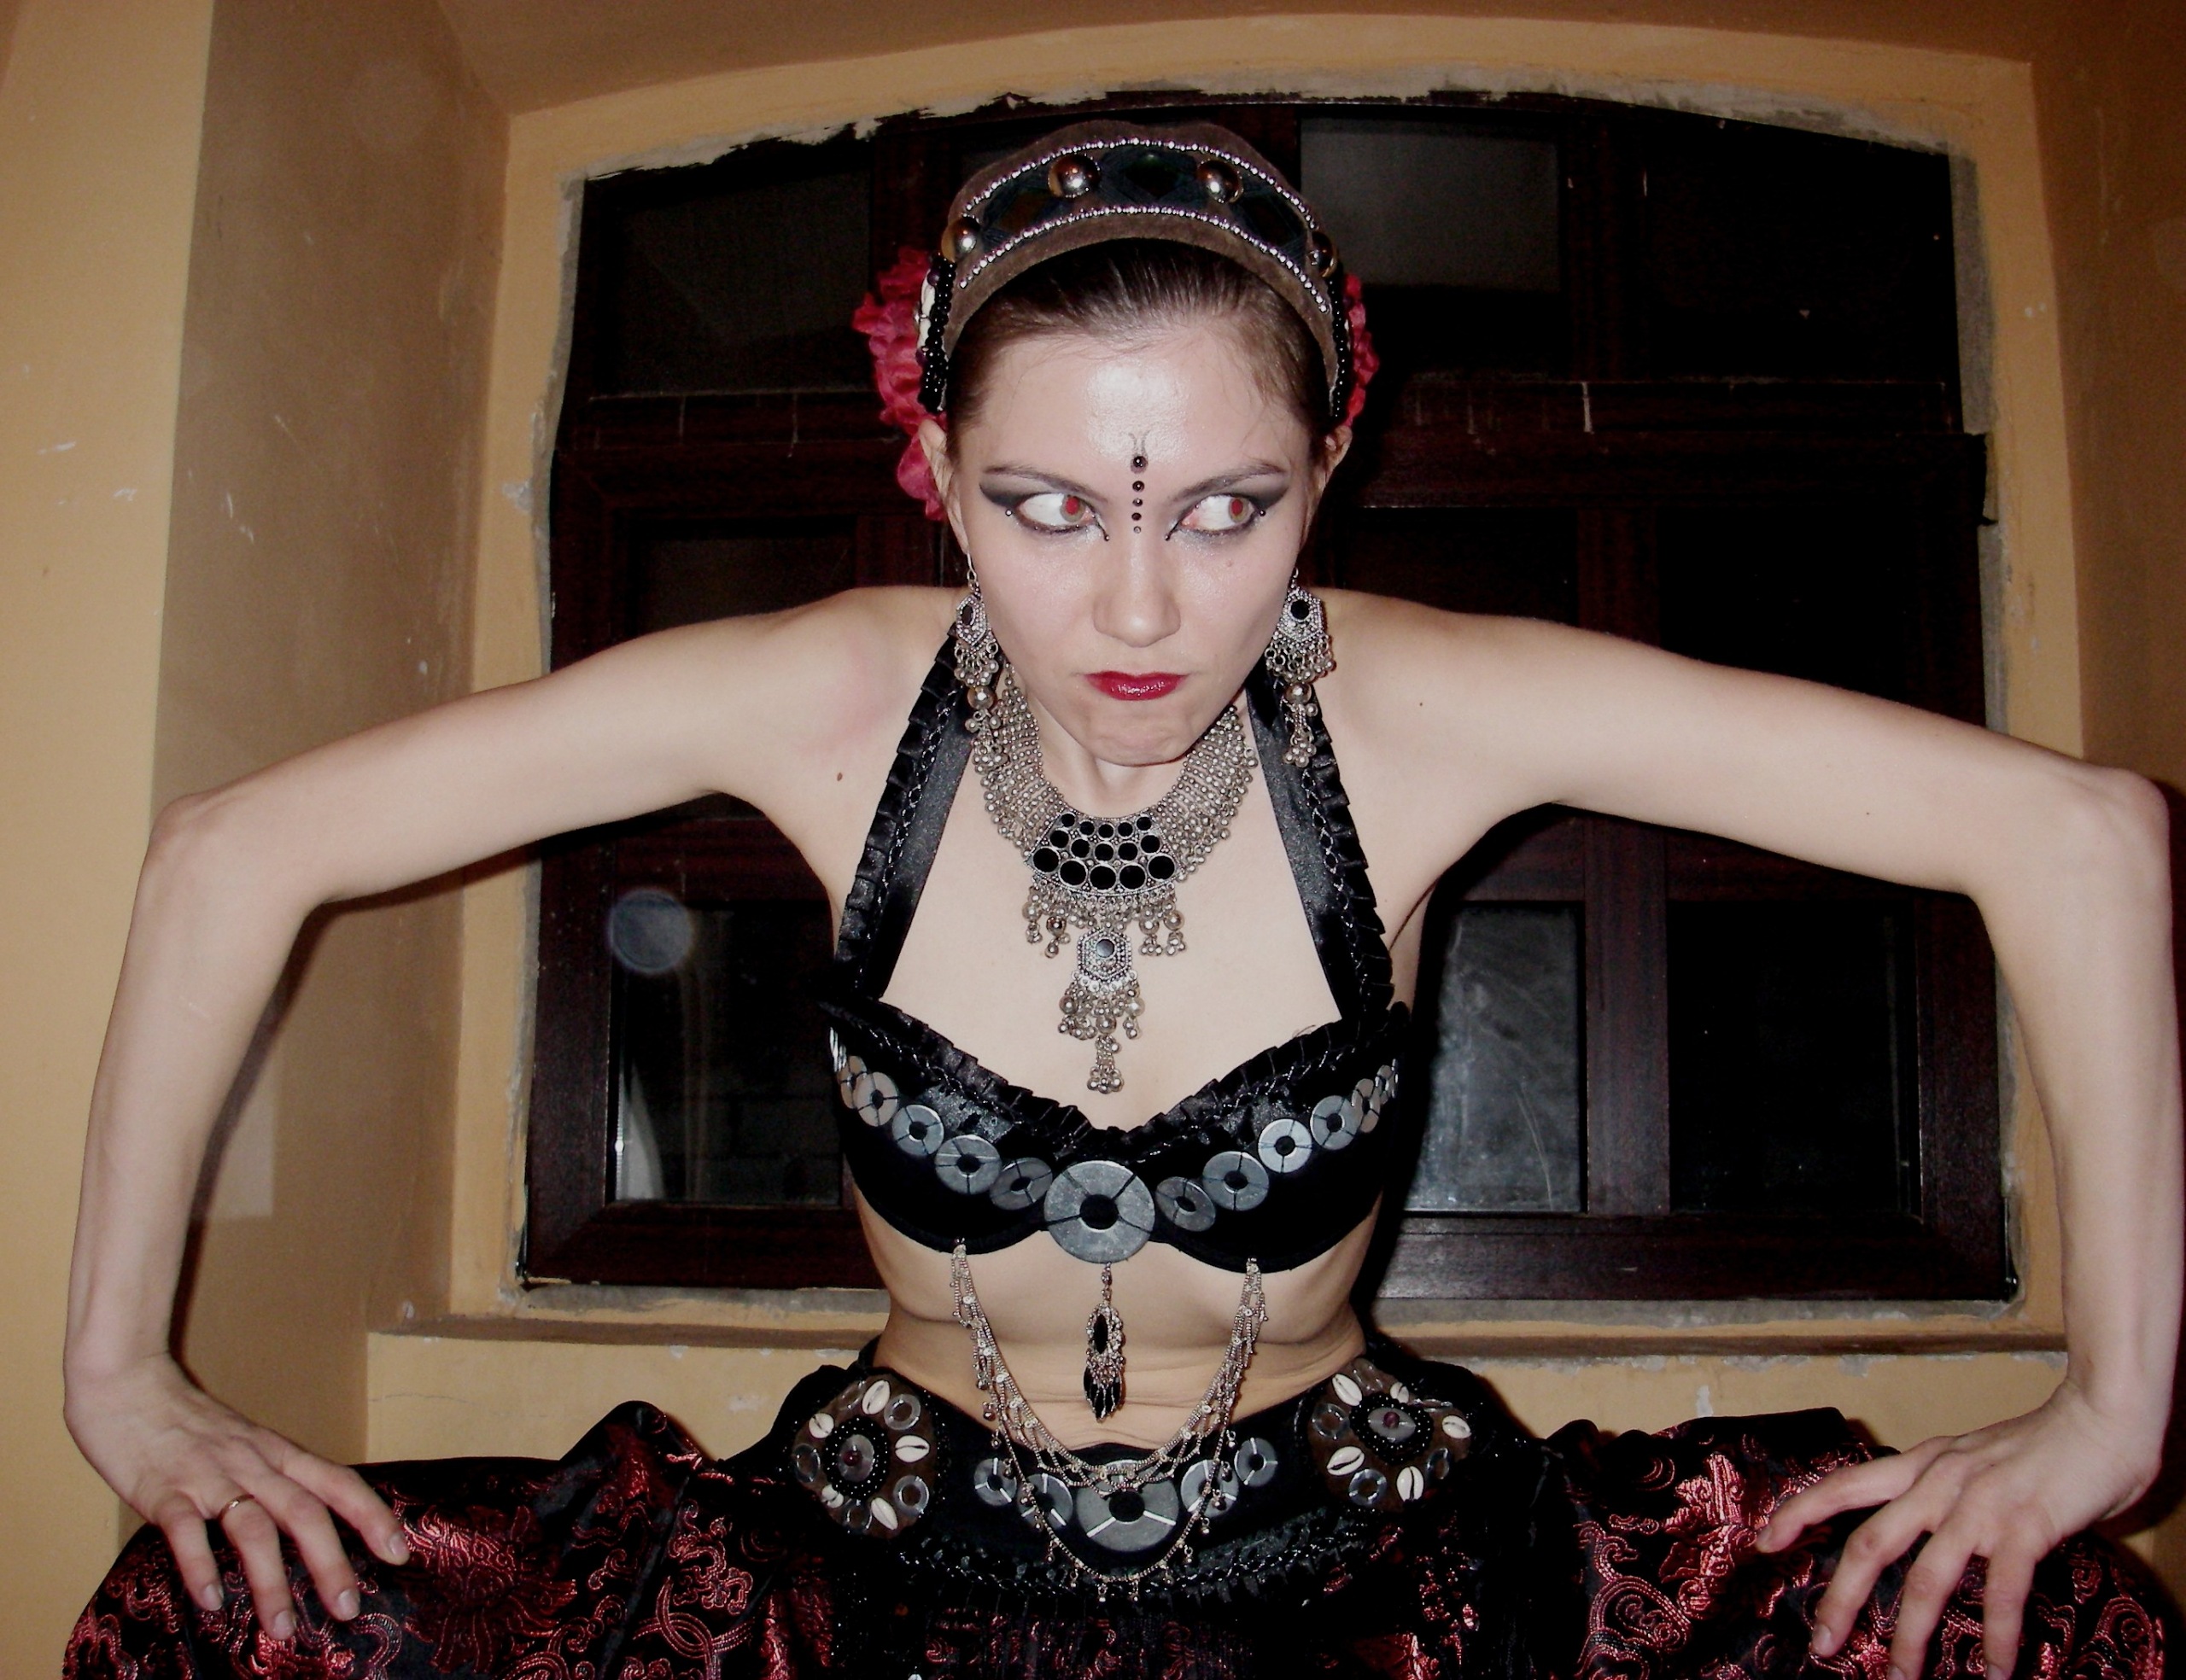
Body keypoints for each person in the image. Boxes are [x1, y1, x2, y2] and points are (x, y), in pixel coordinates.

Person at [62, 120, 2177, 1680]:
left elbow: (2078, 838)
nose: (1143, 610)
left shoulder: (1428, 714)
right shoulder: (818, 700)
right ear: (931, 468)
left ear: (1326, 468)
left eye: (1230, 508)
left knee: (2030, 1623)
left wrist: (2108, 1415)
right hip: (869, 1571)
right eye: (1048, 510)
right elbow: (229, 854)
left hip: (1373, 1579)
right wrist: (118, 1381)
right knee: (230, 1613)